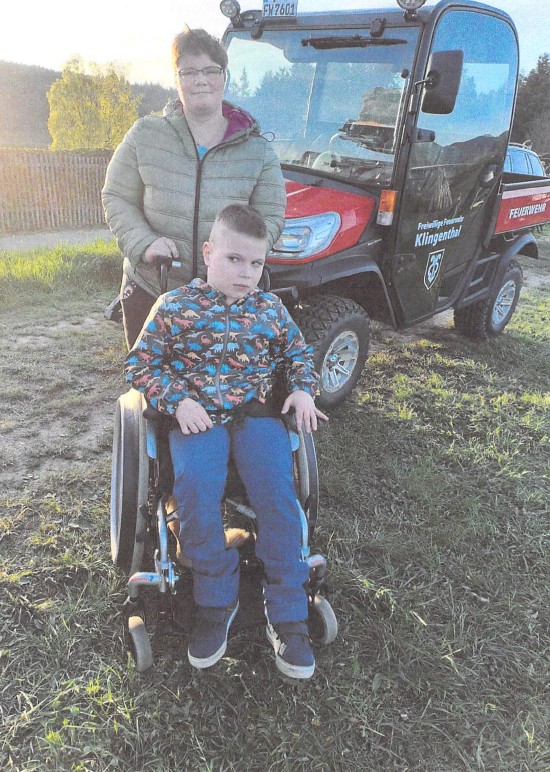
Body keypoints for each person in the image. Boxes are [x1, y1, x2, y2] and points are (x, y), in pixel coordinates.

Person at [125, 205, 328, 680]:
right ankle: (217, 598)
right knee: (195, 492)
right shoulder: (174, 306)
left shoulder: (269, 309)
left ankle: (287, 611)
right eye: (234, 259)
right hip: (196, 419)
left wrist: (303, 388)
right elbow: (139, 364)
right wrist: (177, 401)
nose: (246, 273)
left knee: (278, 497)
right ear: (208, 252)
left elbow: (299, 354)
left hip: (254, 417)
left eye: (256, 263)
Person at [102, 27, 286, 349]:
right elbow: (116, 196)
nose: (200, 80)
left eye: (210, 70)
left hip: (226, 300)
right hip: (151, 289)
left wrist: (240, 262)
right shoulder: (144, 135)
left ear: (224, 77)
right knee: (149, 376)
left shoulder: (257, 150)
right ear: (177, 80)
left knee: (215, 377)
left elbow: (271, 216)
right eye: (188, 71)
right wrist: (145, 242)